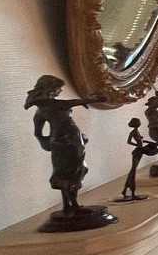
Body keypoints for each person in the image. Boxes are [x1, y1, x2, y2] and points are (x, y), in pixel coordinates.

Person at [24, 75, 114, 230]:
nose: (60, 91)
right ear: (50, 89)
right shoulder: (50, 106)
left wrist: (51, 141)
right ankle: (72, 205)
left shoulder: (43, 109)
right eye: (58, 88)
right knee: (73, 171)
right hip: (67, 143)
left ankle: (70, 205)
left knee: (69, 171)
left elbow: (38, 133)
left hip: (69, 141)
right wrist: (93, 100)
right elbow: (70, 103)